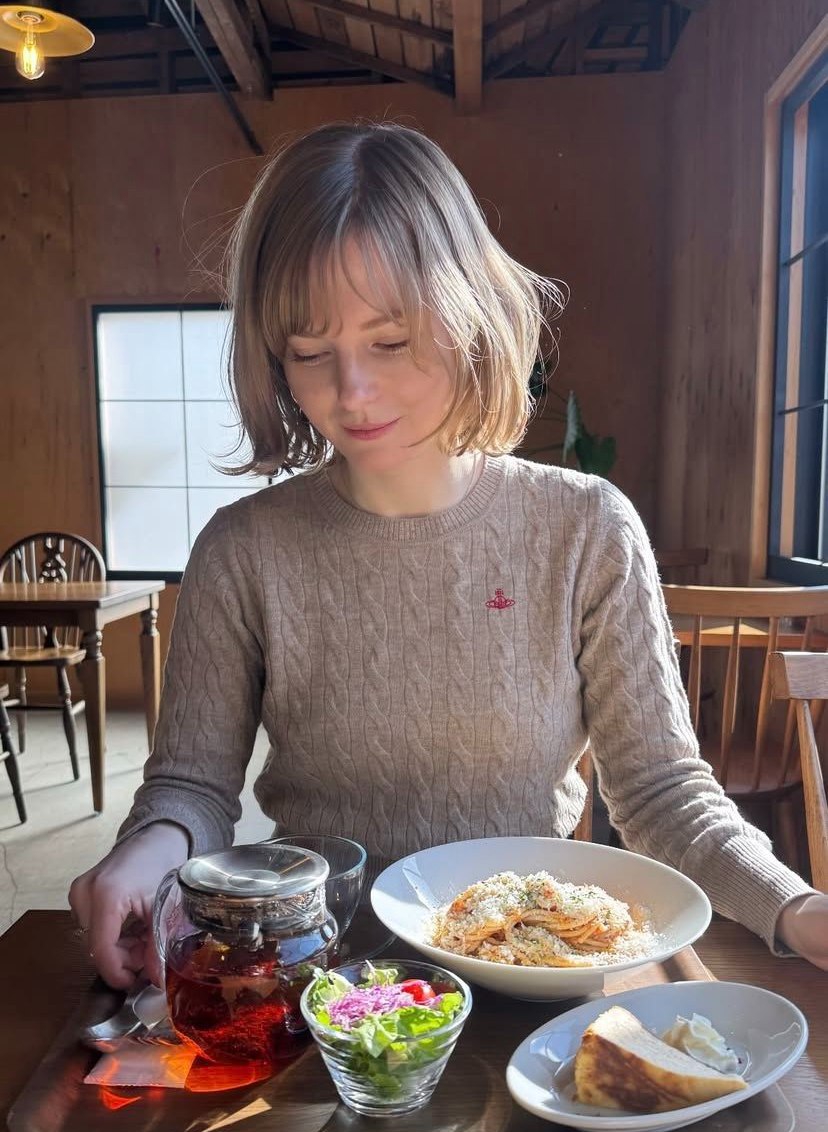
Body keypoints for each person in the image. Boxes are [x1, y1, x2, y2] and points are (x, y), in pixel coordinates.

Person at [69, 121, 828, 989]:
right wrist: (146, 849)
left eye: (391, 342)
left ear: (471, 315)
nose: (352, 393)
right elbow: (194, 788)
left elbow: (660, 792)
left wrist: (796, 908)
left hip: (536, 970)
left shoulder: (586, 529)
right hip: (322, 973)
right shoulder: (243, 550)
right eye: (310, 354)